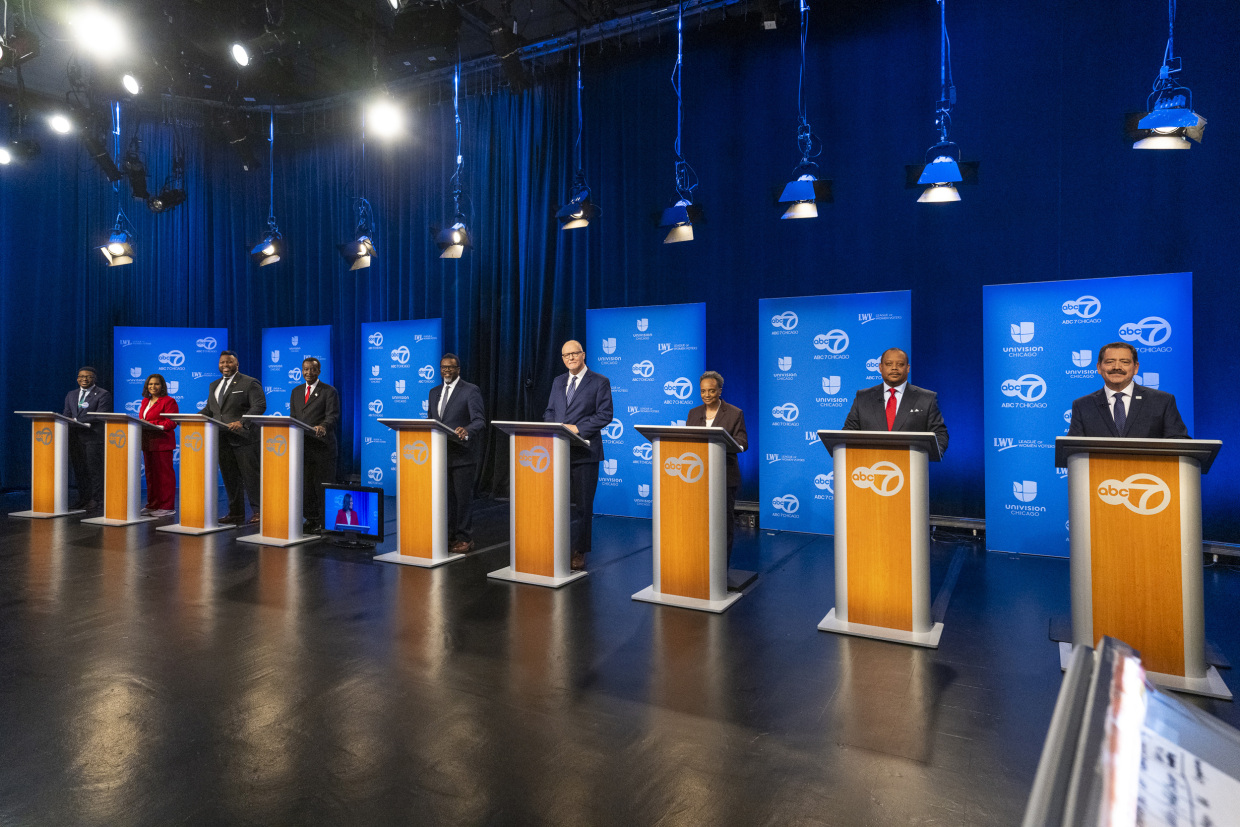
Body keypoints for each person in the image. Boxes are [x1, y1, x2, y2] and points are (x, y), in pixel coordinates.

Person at [544, 339, 613, 571]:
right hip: (560, 451)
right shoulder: (558, 381)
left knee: (583, 506)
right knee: (557, 503)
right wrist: (554, 426)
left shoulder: (600, 381)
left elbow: (605, 415)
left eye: (574, 353)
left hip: (585, 452)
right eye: (566, 355)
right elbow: (550, 411)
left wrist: (577, 428)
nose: (571, 358)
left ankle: (579, 551)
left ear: (583, 355)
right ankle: (559, 545)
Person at [687, 371, 748, 564]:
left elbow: (742, 442)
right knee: (699, 523)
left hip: (724, 477)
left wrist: (725, 442)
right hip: (697, 476)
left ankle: (720, 568)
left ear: (720, 390)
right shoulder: (693, 413)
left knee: (722, 525)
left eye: (711, 391)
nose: (706, 395)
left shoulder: (734, 413)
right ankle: (700, 563)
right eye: (703, 391)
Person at [842, 347, 949, 456]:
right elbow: (849, 432)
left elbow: (939, 434)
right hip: (870, 467)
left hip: (911, 466)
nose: (894, 368)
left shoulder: (927, 398)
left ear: (908, 368)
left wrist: (931, 454)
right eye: (888, 364)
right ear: (880, 367)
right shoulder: (863, 397)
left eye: (900, 364)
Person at [1068, 341, 1189, 438]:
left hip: (1148, 469)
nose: (1116, 367)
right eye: (1110, 362)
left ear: (1136, 368)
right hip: (1100, 469)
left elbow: (1178, 442)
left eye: (1124, 362)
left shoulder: (1162, 401)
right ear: (1099, 367)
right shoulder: (1083, 405)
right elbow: (1072, 450)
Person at [429, 353, 487, 553]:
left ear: (458, 369)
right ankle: (447, 535)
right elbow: (432, 421)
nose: (446, 370)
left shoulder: (470, 391)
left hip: (462, 455)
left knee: (462, 499)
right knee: (445, 499)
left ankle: (465, 538)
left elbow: (479, 420)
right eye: (443, 367)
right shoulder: (433, 392)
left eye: (450, 367)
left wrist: (467, 430)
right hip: (440, 455)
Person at [202, 351, 266, 524]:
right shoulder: (213, 385)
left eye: (229, 362)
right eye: (222, 362)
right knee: (230, 477)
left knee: (251, 477)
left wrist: (242, 421)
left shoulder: (249, 382)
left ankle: (260, 511)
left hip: (244, 438)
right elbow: (210, 410)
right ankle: (235, 512)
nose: (225, 365)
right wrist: (193, 418)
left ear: (237, 364)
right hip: (222, 438)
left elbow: (259, 406)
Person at [290, 356, 340, 532]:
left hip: (322, 447)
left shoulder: (329, 391)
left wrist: (323, 426)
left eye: (312, 369)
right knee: (306, 486)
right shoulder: (296, 391)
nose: (308, 373)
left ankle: (327, 521)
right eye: (305, 369)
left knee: (322, 486)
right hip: (303, 446)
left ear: (319, 371)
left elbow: (332, 415)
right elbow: (294, 417)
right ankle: (311, 519)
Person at [63, 366, 112, 510]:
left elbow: (100, 415)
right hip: (75, 438)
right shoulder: (71, 394)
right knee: (80, 470)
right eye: (81, 376)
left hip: (93, 438)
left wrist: (77, 419)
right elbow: (66, 413)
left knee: (94, 470)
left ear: (94, 379)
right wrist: (69, 419)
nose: (84, 379)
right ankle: (83, 498)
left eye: (88, 376)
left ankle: (96, 500)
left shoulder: (103, 394)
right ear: (77, 378)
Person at [137, 373, 179, 517]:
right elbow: (142, 419)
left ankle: (167, 507)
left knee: (164, 476)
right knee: (151, 475)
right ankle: (153, 505)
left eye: (156, 384)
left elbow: (171, 422)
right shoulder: (144, 401)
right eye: (150, 384)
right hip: (147, 442)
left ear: (162, 386)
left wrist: (151, 424)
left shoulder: (169, 401)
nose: (153, 387)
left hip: (162, 443)